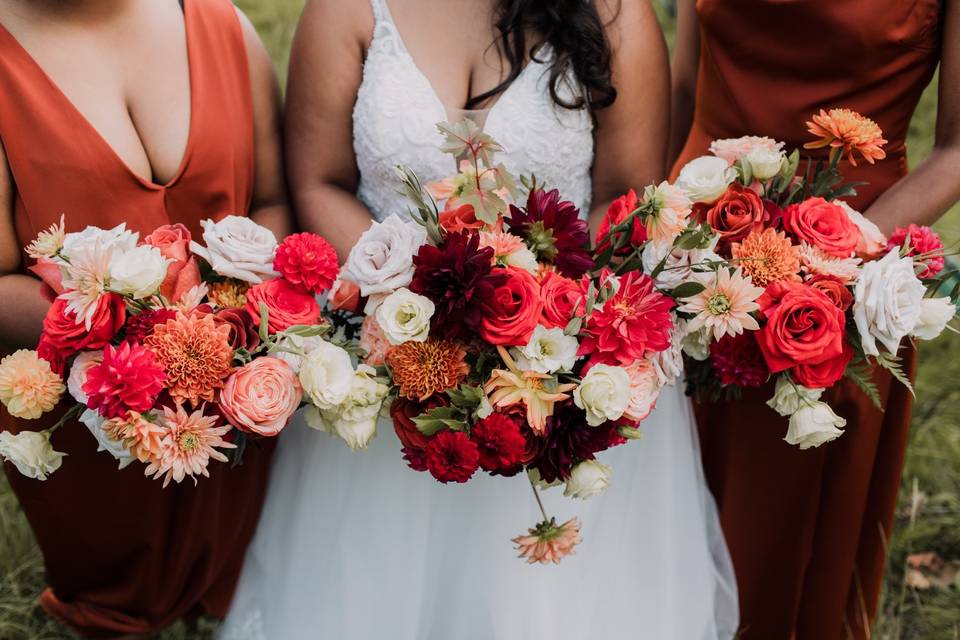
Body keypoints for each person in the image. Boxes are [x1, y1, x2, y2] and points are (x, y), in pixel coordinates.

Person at [219, 1, 739, 638]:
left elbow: (624, 197)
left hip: (559, 361)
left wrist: (539, 326)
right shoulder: (349, 8)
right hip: (387, 356)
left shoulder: (613, 14)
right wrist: (411, 304)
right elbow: (318, 181)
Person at [0, 0, 291, 636]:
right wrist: (143, 339)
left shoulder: (224, 29)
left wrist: (232, 324)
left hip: (242, 380)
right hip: (94, 412)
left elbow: (272, 200)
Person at [669, 0, 959, 637]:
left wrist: (821, 263)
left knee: (786, 544)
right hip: (692, 256)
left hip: (842, 278)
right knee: (660, 520)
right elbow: (686, 85)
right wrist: (645, 237)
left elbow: (958, 148)